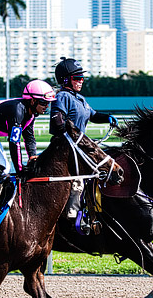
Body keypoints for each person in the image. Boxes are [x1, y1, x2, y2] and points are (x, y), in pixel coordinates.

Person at [49, 57, 118, 234]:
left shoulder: (79, 98)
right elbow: (57, 123)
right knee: (81, 180)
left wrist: (107, 117)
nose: (81, 80)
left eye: (81, 77)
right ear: (65, 80)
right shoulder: (62, 97)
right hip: (67, 149)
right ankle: (71, 218)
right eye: (77, 78)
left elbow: (92, 114)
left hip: (80, 147)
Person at [0, 79, 55, 214]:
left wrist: (33, 156)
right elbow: (14, 143)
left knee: (5, 166)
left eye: (48, 103)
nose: (46, 106)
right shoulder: (18, 110)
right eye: (43, 102)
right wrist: (20, 171)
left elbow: (29, 137)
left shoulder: (30, 114)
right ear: (32, 101)